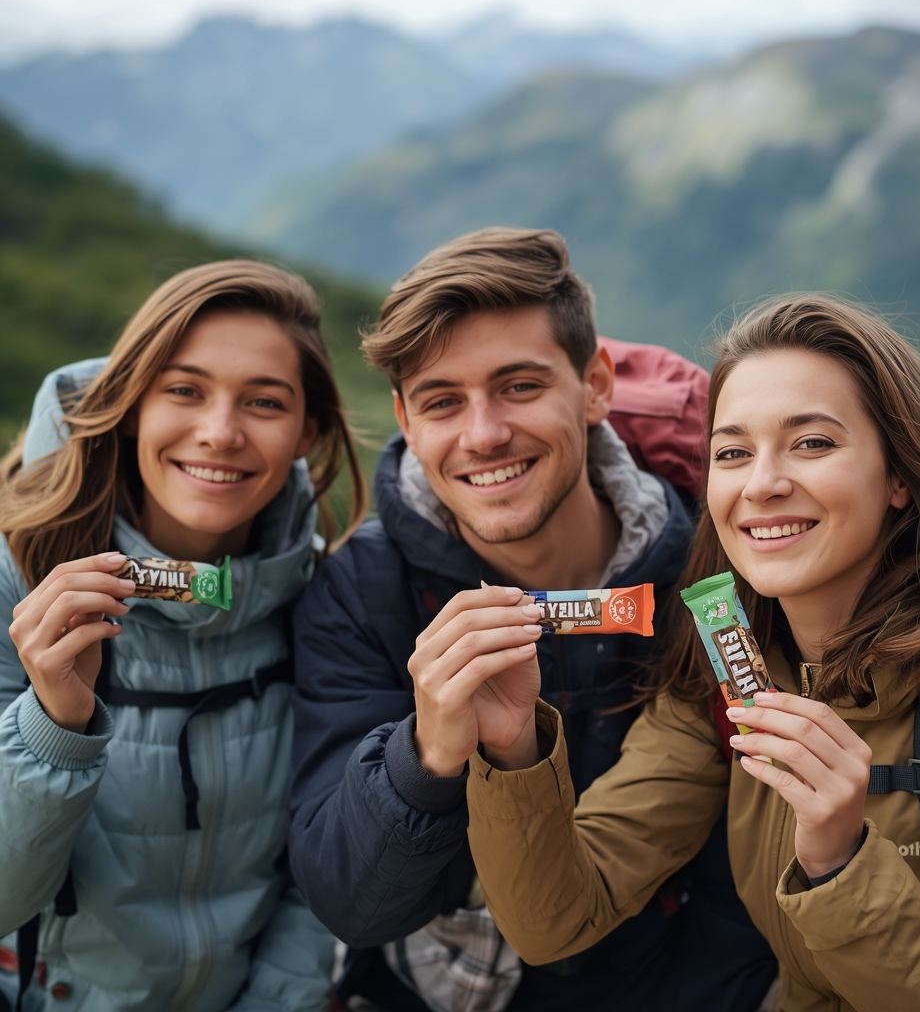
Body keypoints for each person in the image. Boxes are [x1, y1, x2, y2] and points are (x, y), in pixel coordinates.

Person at [463, 295, 920, 1011]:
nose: (761, 484)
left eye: (813, 443)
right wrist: (514, 749)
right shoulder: (726, 674)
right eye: (732, 453)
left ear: (900, 477)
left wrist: (842, 865)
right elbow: (557, 919)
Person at [288, 228, 776, 1011]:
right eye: (442, 402)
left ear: (596, 386)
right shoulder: (358, 591)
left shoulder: (719, 572)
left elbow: (749, 861)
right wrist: (426, 757)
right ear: (406, 421)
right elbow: (352, 905)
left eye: (519, 386)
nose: (483, 434)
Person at [0, 260, 366, 1011]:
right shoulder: (18, 580)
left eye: (264, 403)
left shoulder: (327, 598)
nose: (220, 432)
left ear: (308, 432)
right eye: (184, 390)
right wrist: (56, 722)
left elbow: (321, 866)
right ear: (131, 404)